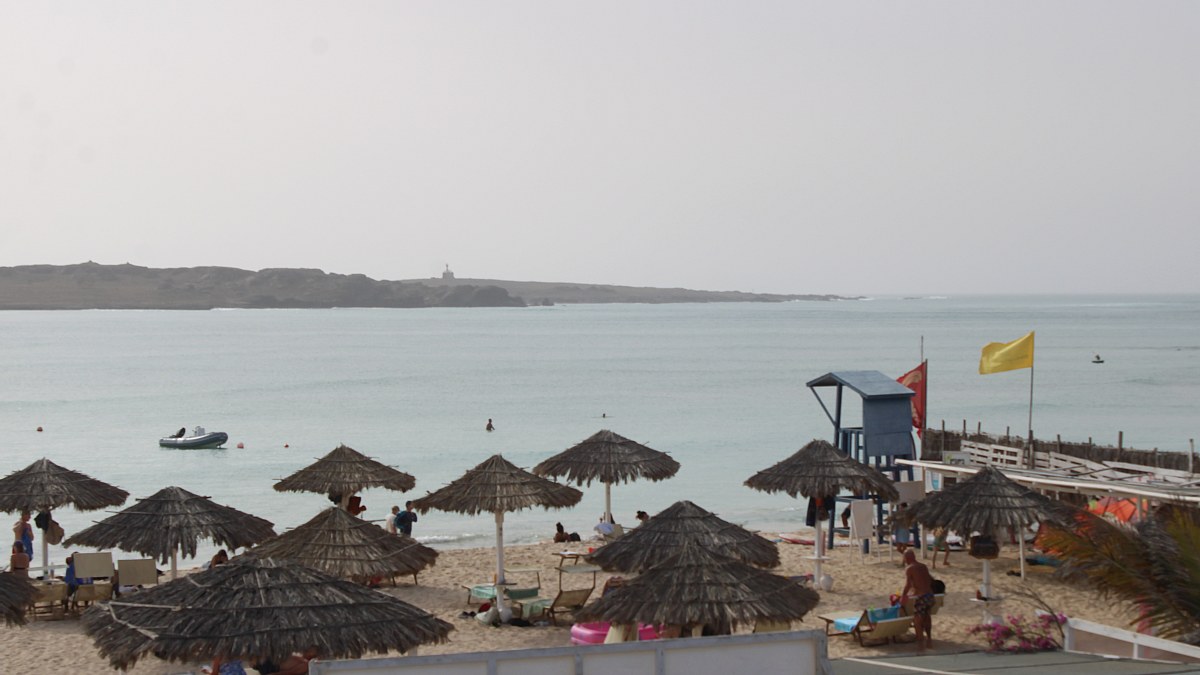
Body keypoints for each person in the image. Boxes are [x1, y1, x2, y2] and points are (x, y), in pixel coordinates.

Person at [900, 549, 935, 650]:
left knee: (917, 620)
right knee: (927, 616)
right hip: (929, 595)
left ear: (907, 558)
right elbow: (930, 579)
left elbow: (908, 584)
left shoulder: (910, 568)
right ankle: (929, 639)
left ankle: (921, 644)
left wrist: (903, 596)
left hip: (922, 597)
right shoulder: (923, 566)